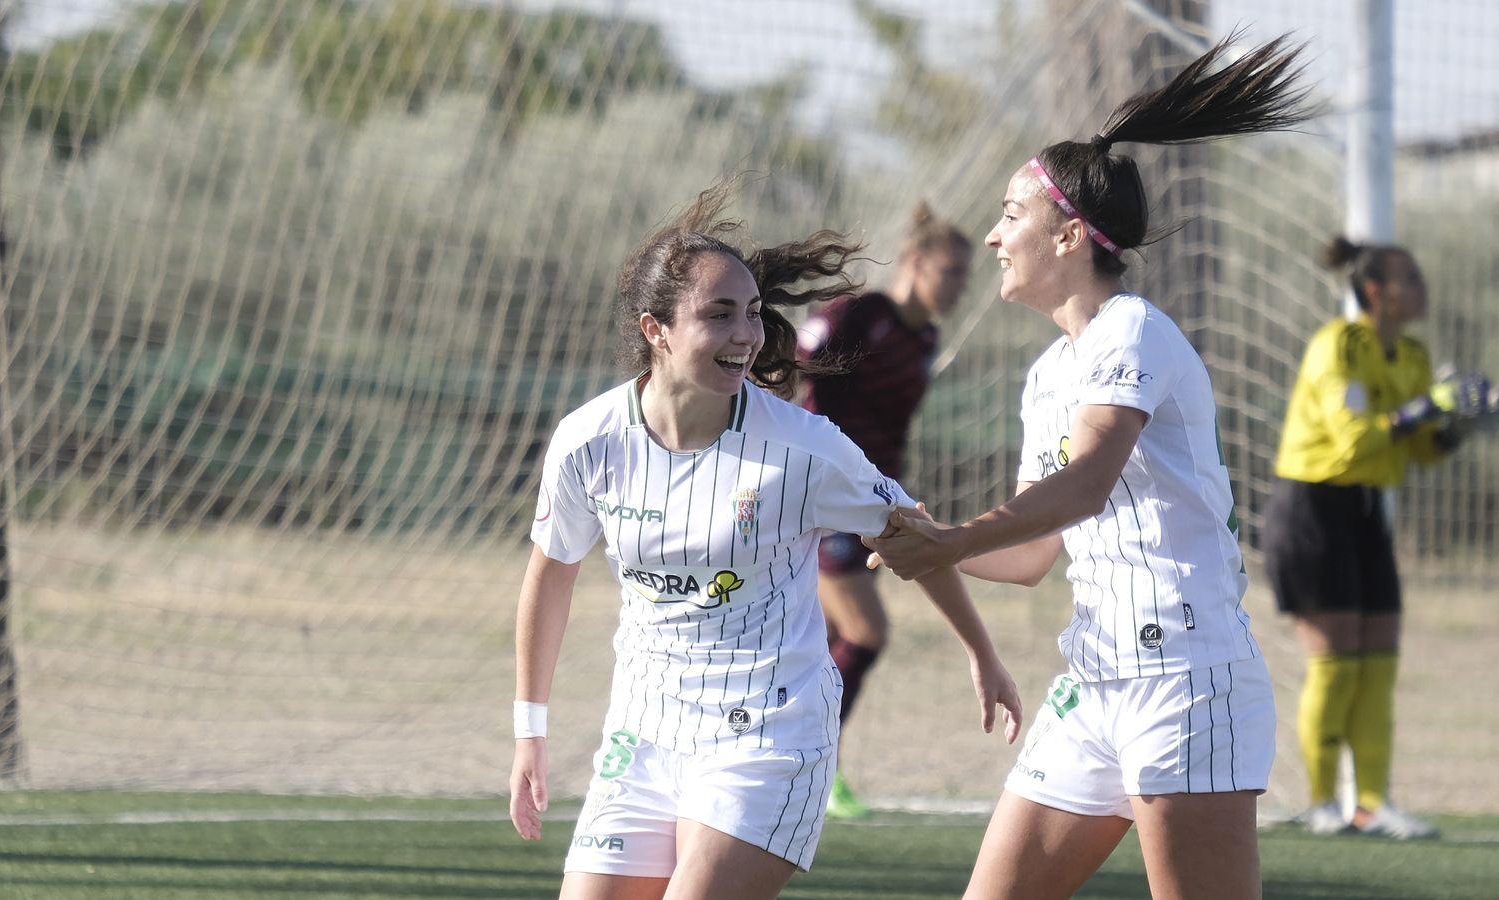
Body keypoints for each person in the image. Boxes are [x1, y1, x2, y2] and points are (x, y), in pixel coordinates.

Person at [863, 36, 1315, 900]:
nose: (992, 234)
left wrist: (953, 540)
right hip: (1095, 681)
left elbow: (1087, 483)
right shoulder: (1049, 374)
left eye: (1010, 215)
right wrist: (915, 533)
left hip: (1186, 680)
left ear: (1070, 234)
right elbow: (1035, 554)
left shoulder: (1132, 330)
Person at [506, 183, 1022, 900]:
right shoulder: (588, 443)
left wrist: (982, 650)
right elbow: (551, 575)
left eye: (752, 313)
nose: (747, 334)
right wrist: (529, 729)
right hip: (642, 735)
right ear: (655, 329)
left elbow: (915, 540)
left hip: (766, 737)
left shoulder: (806, 449)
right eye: (720, 315)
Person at [1263, 236, 1499, 840]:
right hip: (1312, 508)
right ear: (1376, 292)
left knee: (1378, 663)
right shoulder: (1336, 346)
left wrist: (1458, 424)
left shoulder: (1413, 355)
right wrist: (1426, 408)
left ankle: (1371, 805)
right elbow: (1355, 442)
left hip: (1367, 510)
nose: (1421, 287)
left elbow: (1420, 452)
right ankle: (1320, 804)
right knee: (1336, 665)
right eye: (1409, 277)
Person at [795, 200, 973, 819]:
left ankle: (803, 762)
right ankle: (813, 764)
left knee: (819, 640)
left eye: (965, 276)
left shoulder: (924, 336)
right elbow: (795, 377)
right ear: (917, 262)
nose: (959, 287)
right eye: (950, 271)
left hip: (874, 498)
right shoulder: (857, 316)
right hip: (825, 497)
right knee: (865, 632)